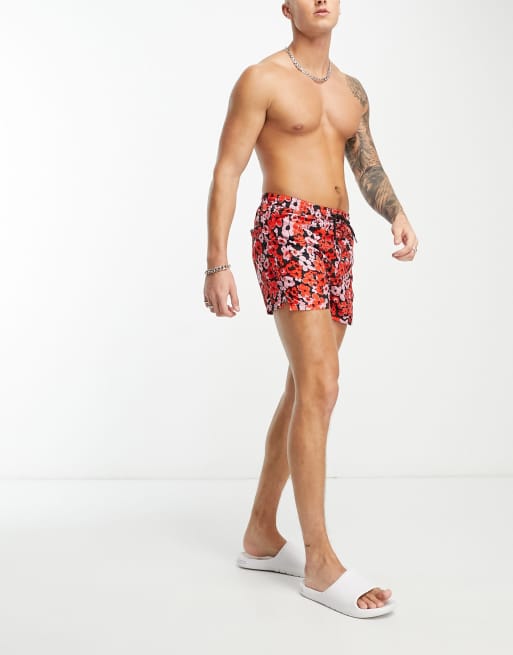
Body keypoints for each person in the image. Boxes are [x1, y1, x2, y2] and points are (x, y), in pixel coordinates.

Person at [203, 0, 418, 619]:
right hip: (287, 227)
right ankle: (320, 562)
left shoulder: (352, 91)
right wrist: (217, 262)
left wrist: (396, 211)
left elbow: (366, 160)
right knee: (322, 384)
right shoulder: (262, 79)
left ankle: (260, 532)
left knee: (304, 386)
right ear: (286, 7)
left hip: (338, 236)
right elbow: (227, 170)